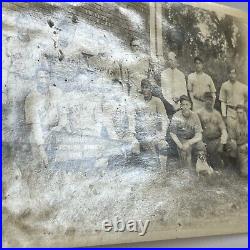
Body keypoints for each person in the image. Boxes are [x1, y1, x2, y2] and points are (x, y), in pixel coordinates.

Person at [25, 68, 69, 167]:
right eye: (41, 77)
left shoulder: (57, 92)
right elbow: (35, 125)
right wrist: (41, 147)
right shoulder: (31, 98)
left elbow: (63, 113)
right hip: (39, 133)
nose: (44, 80)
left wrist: (60, 126)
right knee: (41, 161)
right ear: (36, 79)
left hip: (56, 130)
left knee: (59, 162)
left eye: (46, 77)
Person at [135, 79, 169, 171]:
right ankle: (155, 167)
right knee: (149, 144)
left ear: (151, 89)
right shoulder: (138, 100)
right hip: (143, 133)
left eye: (147, 87)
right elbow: (134, 117)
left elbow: (164, 119)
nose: (145, 90)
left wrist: (162, 135)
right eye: (143, 88)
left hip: (156, 132)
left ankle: (163, 170)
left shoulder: (157, 101)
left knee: (163, 145)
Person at [169, 95, 206, 168]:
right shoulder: (176, 116)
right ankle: (187, 172)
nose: (185, 107)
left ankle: (202, 168)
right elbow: (172, 133)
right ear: (181, 106)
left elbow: (199, 135)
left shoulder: (194, 116)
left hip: (192, 139)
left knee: (201, 146)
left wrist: (189, 142)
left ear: (190, 106)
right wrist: (180, 145)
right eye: (183, 104)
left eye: (187, 104)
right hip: (181, 139)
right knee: (185, 151)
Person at [197, 92, 228, 168]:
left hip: (216, 139)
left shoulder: (217, 114)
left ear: (213, 101)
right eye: (207, 99)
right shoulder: (199, 113)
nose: (209, 102)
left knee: (230, 145)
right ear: (204, 100)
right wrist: (200, 141)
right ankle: (213, 164)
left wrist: (222, 142)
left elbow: (223, 129)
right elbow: (197, 129)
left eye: (210, 99)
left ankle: (226, 163)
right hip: (205, 140)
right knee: (205, 149)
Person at [219, 67, 248, 139]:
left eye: (234, 73)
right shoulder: (224, 85)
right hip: (230, 112)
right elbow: (223, 101)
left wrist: (245, 107)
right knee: (231, 135)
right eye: (230, 73)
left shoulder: (243, 86)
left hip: (240, 112)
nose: (232, 75)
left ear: (236, 75)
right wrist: (224, 115)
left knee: (242, 134)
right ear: (228, 74)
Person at [227, 105, 248, 177]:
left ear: (245, 113)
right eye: (237, 113)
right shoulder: (233, 124)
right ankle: (235, 167)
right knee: (245, 174)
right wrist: (236, 148)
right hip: (239, 148)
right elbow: (232, 139)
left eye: (241, 113)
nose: (239, 115)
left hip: (247, 146)